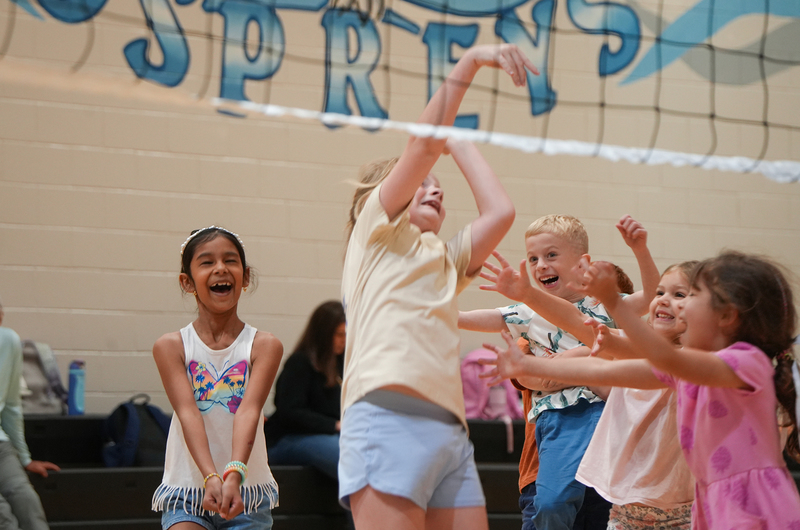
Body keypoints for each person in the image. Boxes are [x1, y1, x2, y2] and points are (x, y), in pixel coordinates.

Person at [340, 43, 536, 530]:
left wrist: (462, 144)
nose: (436, 188)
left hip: (450, 434)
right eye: (422, 182)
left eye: (438, 185)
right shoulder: (374, 232)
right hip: (386, 420)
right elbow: (423, 143)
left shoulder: (445, 259)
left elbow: (500, 213)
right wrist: (470, 61)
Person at [481, 251, 800, 529]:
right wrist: (528, 367)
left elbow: (664, 356)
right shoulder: (682, 367)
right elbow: (603, 369)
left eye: (690, 295)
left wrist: (612, 301)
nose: (681, 307)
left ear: (727, 315)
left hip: (753, 503)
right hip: (701, 500)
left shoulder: (748, 363)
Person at [459, 214, 659, 530]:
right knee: (552, 504)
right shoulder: (528, 310)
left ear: (583, 263)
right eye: (533, 258)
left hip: (602, 415)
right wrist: (439, 312)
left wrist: (641, 250)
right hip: (558, 418)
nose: (540, 265)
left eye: (551, 255)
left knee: (597, 507)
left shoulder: (603, 306)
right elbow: (488, 318)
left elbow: (650, 297)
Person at [150, 226, 283, 530]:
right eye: (207, 262)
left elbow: (249, 411)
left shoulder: (264, 345)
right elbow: (188, 412)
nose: (220, 268)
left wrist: (233, 474)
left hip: (246, 493)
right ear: (187, 282)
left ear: (245, 277)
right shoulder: (171, 346)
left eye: (230, 260)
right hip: (188, 489)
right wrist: (211, 476)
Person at [266, 300, 346, 480]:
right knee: (347, 458)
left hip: (323, 436)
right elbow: (290, 412)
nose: (344, 340)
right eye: (339, 334)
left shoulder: (341, 364)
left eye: (346, 334)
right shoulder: (300, 363)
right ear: (324, 334)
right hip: (288, 439)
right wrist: (335, 425)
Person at [0, 299, 60, 530]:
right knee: (4, 518)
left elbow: (11, 406)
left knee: (27, 503)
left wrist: (25, 458)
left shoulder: (8, 341)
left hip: (1, 445)